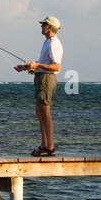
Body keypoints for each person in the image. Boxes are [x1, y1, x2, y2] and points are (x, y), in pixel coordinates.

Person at [14, 16, 62, 156]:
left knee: (45, 113)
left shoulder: (54, 43)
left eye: (43, 24)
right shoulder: (47, 42)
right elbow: (43, 63)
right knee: (40, 112)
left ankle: (50, 147)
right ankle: (44, 145)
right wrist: (26, 67)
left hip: (47, 79)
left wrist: (38, 65)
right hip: (41, 78)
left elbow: (56, 66)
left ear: (50, 27)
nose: (41, 26)